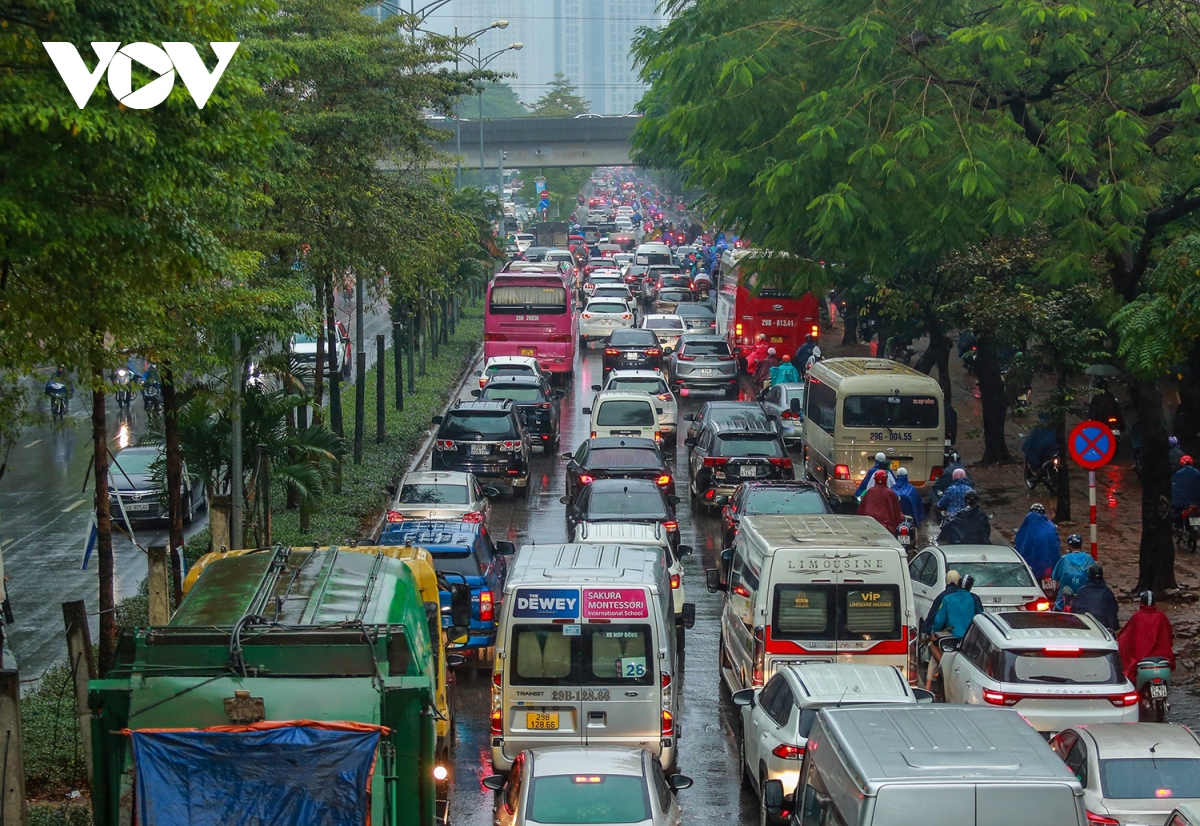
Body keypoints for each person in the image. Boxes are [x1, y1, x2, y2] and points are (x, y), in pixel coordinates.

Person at [927, 569, 982, 690]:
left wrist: (934, 632)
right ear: (970, 587)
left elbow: (939, 620)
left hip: (951, 639)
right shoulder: (975, 599)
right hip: (969, 640)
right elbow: (980, 617)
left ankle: (928, 686)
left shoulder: (947, 598)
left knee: (933, 645)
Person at [1117, 592, 1175, 683]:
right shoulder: (1161, 617)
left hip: (1141, 658)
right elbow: (1168, 635)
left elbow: (1126, 637)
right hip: (1162, 657)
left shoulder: (1137, 617)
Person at [1014, 503, 1060, 585]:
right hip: (1050, 566)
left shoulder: (1027, 528)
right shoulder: (1051, 527)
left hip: (1031, 569)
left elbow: (1021, 544)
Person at [1070, 564, 1119, 633]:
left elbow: (1075, 609)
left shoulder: (1083, 591)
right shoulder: (1107, 591)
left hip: (1086, 626)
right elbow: (1114, 609)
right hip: (1104, 628)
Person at [1051, 534, 1093, 610]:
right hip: (1085, 600)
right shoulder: (1089, 559)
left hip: (1064, 602)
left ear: (1069, 546)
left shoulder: (1064, 559)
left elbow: (1055, 577)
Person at [1170, 455, 1200, 520]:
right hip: (1196, 503)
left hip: (1181, 504)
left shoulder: (1177, 474)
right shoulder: (1197, 473)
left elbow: (1174, 488)